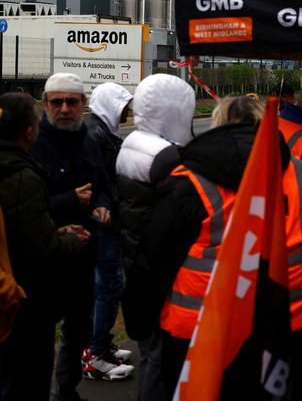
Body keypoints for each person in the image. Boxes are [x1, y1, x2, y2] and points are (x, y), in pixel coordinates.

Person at [128, 96, 302, 400]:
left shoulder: (187, 183)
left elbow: (153, 260)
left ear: (218, 125)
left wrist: (138, 322)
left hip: (201, 336)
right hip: (293, 329)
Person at [30, 73, 134, 398]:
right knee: (40, 336)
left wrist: (102, 206)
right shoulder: (34, 145)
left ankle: (67, 390)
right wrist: (70, 201)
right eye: (57, 102)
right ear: (45, 105)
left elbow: (102, 185)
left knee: (77, 329)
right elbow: (26, 204)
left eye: (71, 102)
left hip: (83, 255)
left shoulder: (88, 139)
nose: (64, 109)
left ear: (83, 104)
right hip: (44, 259)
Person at [0, 93, 87, 401]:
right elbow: (40, 251)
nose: (64, 109)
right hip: (24, 304)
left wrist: (52, 229)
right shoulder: (22, 175)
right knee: (27, 382)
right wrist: (71, 239)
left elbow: (17, 230)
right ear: (29, 130)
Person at [116, 73, 195, 401]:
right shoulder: (166, 157)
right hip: (161, 267)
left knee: (150, 348)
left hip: (135, 255)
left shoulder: (132, 141)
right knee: (161, 355)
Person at [83, 82, 134, 375]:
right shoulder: (97, 137)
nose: (127, 112)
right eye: (124, 106)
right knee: (108, 287)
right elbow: (102, 183)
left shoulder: (103, 133)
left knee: (105, 287)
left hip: (108, 221)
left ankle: (100, 345)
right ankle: (96, 352)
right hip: (104, 223)